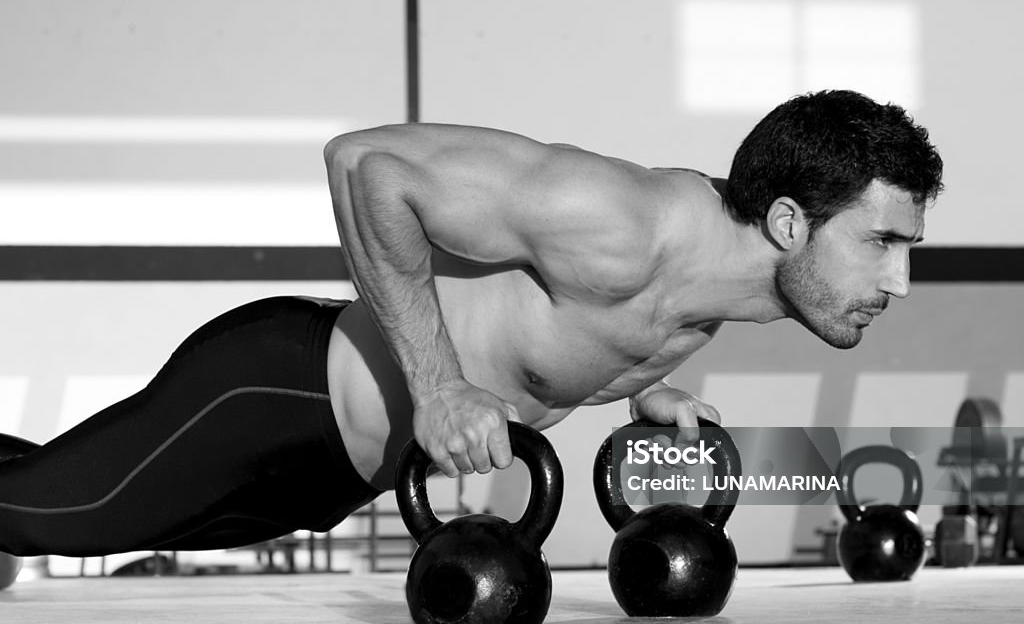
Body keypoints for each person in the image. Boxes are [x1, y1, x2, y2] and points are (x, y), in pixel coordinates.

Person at [0, 89, 943, 569]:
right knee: (50, 520)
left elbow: (561, 334)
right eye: (883, 244)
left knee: (49, 508)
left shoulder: (726, 290)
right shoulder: (621, 223)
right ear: (788, 223)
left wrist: (638, 384)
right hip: (276, 390)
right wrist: (440, 384)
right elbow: (366, 165)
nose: (899, 281)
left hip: (340, 471)